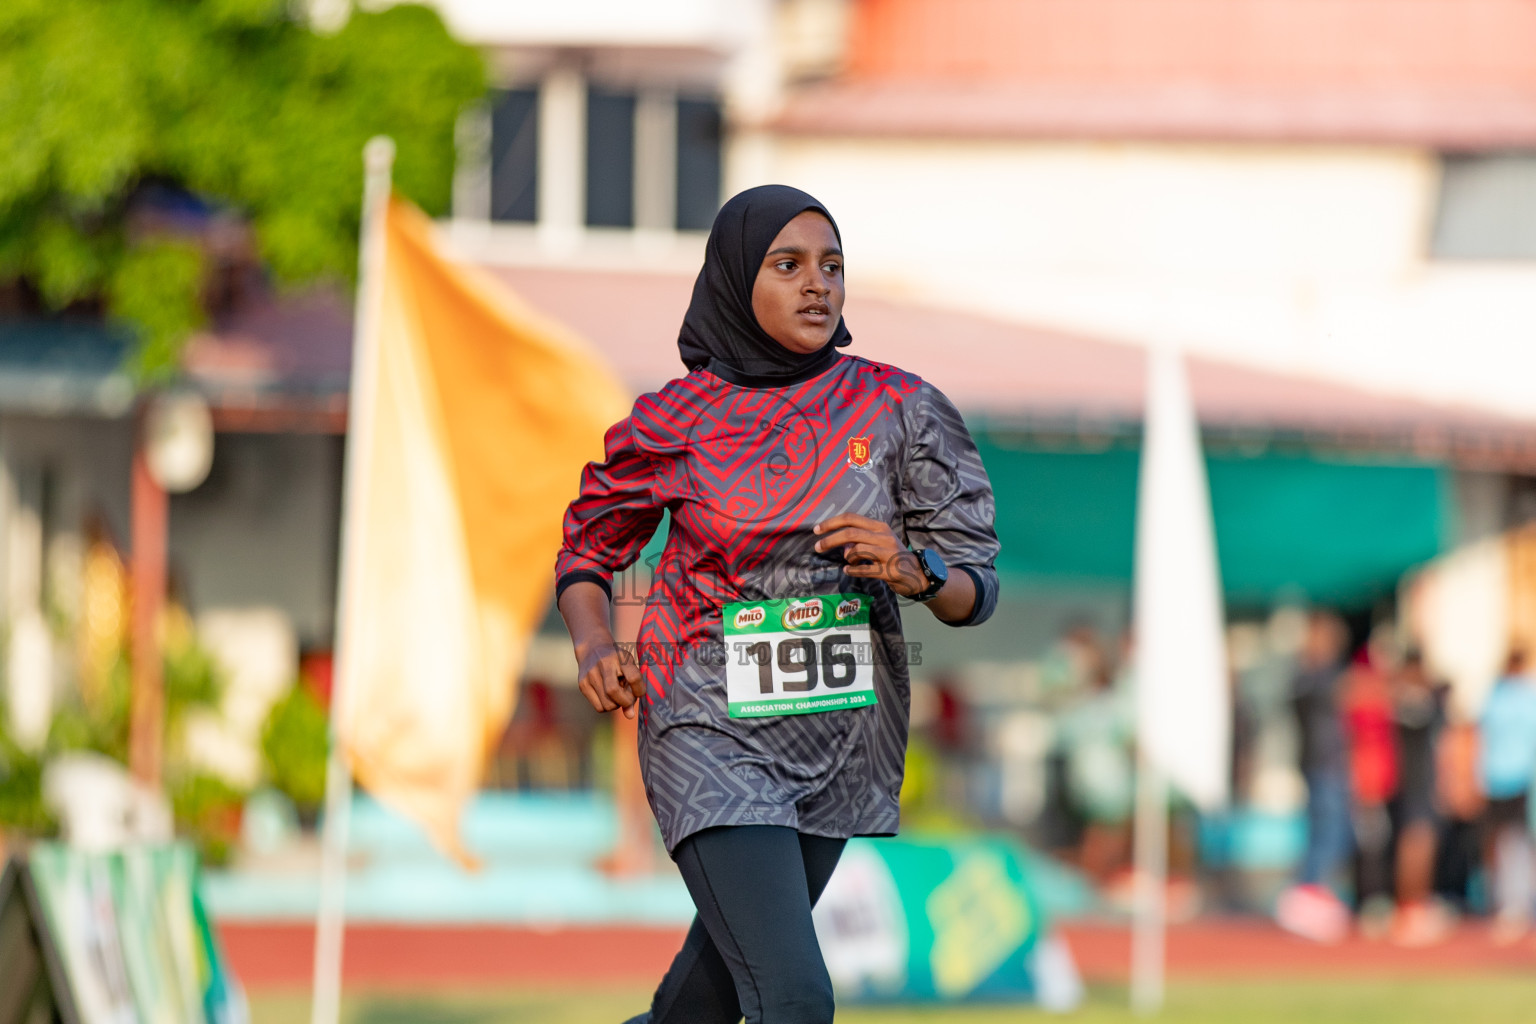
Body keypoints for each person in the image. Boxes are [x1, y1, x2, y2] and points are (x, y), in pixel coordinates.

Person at [554, 185, 1001, 1024]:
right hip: (707, 725)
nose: (816, 285)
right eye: (787, 265)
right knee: (794, 999)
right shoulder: (674, 420)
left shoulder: (900, 408)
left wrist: (914, 571)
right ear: (733, 280)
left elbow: (975, 585)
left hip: (836, 736)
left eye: (832, 266)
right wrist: (590, 646)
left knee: (708, 1005)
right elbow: (588, 549)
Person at [1274, 611, 1353, 943]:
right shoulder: (1310, 677)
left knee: (1335, 834)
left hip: (1329, 763)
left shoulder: (1319, 676)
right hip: (1322, 765)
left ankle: (1312, 896)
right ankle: (1305, 898)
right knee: (1327, 834)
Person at [1387, 649, 1450, 946]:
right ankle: (1410, 910)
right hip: (1415, 786)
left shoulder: (1406, 701)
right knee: (1417, 847)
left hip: (1419, 785)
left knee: (1419, 846)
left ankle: (1414, 908)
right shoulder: (1408, 703)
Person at [1477, 650, 1536, 944]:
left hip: (1499, 780)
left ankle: (1510, 903)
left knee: (1506, 844)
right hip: (1513, 780)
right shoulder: (1521, 696)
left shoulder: (1496, 696)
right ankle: (1511, 904)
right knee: (1513, 844)